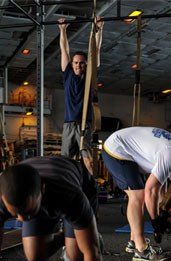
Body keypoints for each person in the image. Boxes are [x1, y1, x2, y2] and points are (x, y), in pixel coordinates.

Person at [101, 127, 171, 261]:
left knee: (138, 195)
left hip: (123, 148)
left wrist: (164, 209)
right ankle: (141, 250)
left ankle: (134, 242)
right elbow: (151, 190)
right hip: (116, 150)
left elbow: (160, 186)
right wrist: (155, 221)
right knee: (137, 195)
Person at [58, 17, 104, 173]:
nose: (78, 65)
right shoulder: (68, 74)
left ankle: (90, 187)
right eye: (76, 62)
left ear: (85, 64)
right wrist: (62, 30)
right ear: (72, 64)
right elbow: (64, 49)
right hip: (69, 124)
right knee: (66, 161)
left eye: (81, 63)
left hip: (85, 124)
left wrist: (99, 29)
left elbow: (96, 50)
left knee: (88, 161)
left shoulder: (90, 75)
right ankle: (68, 186)